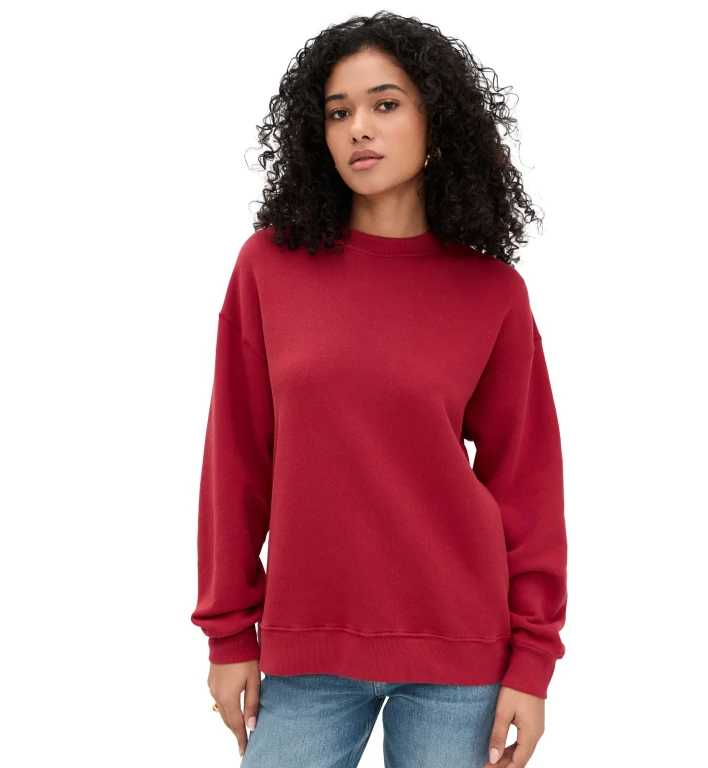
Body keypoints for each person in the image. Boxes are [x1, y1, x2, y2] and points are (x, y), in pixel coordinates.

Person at [191, 11, 568, 768]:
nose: (359, 127)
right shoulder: (268, 268)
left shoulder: (492, 292)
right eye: (339, 112)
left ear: (438, 124)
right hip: (308, 648)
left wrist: (533, 660)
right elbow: (235, 461)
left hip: (462, 651)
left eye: (385, 104)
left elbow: (527, 483)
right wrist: (229, 633)